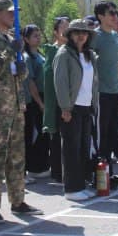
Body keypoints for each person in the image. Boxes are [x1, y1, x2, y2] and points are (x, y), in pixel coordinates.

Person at [0, 0, 40, 222]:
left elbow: (18, 75)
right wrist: (8, 55)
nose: (13, 16)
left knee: (16, 156)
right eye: (8, 12)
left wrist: (21, 67)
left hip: (15, 104)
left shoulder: (12, 38)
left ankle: (18, 200)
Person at [52, 20, 98, 201]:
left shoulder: (89, 55)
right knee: (71, 149)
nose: (81, 35)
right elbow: (60, 83)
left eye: (85, 33)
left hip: (86, 106)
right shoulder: (64, 54)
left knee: (83, 148)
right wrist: (65, 107)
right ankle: (71, 189)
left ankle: (80, 185)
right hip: (71, 107)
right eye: (77, 32)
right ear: (70, 35)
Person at [91, 1, 118, 185]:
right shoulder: (95, 36)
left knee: (112, 132)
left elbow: (116, 65)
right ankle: (99, 173)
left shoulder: (114, 36)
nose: (115, 17)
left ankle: (109, 173)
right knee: (101, 134)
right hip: (101, 93)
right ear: (100, 16)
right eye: (111, 13)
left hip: (115, 91)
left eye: (116, 13)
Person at [41, 16, 70, 183]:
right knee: (57, 136)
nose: (66, 31)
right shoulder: (53, 51)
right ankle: (58, 172)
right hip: (57, 100)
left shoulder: (72, 50)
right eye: (63, 28)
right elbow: (50, 78)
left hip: (70, 99)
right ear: (56, 32)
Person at [22, 24, 51, 177]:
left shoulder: (39, 54)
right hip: (36, 98)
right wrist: (40, 102)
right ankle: (34, 167)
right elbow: (31, 82)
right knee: (36, 132)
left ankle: (42, 163)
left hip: (45, 95)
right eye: (34, 36)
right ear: (26, 39)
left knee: (44, 132)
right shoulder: (27, 58)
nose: (38, 38)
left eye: (39, 34)